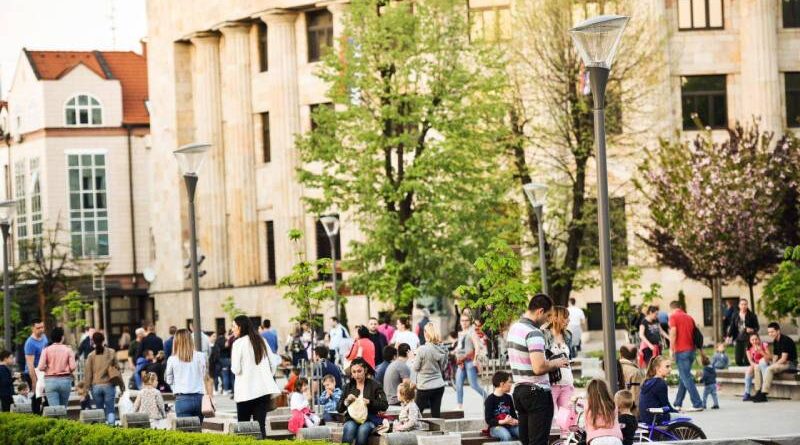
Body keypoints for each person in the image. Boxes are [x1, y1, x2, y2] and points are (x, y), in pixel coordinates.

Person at [507, 294, 569, 445]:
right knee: (538, 442)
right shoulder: (534, 332)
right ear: (540, 311)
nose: (548, 320)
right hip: (537, 393)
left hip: (520, 391)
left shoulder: (514, 328)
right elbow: (539, 367)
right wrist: (557, 362)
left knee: (526, 441)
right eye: (548, 315)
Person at [231, 315, 281, 437]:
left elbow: (236, 369)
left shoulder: (238, 343)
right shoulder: (261, 340)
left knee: (244, 429)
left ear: (240, 327)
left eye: (233, 326)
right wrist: (266, 376)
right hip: (263, 391)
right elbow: (273, 362)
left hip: (245, 393)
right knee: (260, 427)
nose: (232, 329)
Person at [337, 358, 388, 445]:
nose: (356, 375)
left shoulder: (375, 385)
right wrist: (347, 401)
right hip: (352, 418)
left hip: (369, 419)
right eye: (354, 372)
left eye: (359, 371)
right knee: (349, 428)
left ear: (365, 370)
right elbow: (339, 409)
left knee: (363, 430)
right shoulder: (348, 387)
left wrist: (370, 402)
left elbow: (384, 405)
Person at [165, 329, 209, 422]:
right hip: (199, 398)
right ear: (190, 340)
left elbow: (169, 380)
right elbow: (203, 374)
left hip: (182, 398)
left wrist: (176, 385)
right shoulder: (200, 356)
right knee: (198, 429)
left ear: (176, 342)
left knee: (185, 429)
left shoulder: (172, 359)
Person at [668, 300, 703, 412]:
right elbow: (695, 334)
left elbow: (673, 333)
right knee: (684, 377)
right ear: (680, 307)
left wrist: (671, 349)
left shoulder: (673, 317)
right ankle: (677, 403)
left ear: (672, 308)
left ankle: (697, 403)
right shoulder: (689, 317)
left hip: (681, 351)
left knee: (686, 377)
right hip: (691, 350)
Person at [545, 306, 574, 435]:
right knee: (546, 418)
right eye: (565, 317)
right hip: (550, 383)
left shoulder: (568, 335)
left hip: (566, 382)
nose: (568, 320)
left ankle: (565, 442)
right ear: (556, 318)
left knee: (567, 421)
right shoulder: (544, 334)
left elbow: (569, 356)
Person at [751, 322, 798, 403]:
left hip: (790, 364)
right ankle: (758, 391)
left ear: (778, 331)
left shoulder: (785, 340)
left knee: (769, 369)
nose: (770, 334)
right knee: (758, 367)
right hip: (782, 363)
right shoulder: (776, 341)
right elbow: (775, 357)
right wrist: (772, 362)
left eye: (772, 332)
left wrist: (773, 365)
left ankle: (764, 394)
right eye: (769, 332)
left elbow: (783, 359)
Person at [414, 322, 448, 418]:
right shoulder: (443, 349)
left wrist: (413, 358)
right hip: (439, 385)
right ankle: (438, 428)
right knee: (436, 414)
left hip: (424, 386)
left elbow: (416, 368)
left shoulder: (422, 350)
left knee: (416, 413)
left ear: (426, 333)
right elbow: (443, 367)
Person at [84, 331, 119, 424]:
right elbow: (117, 369)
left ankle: (101, 428)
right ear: (104, 340)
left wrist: (86, 389)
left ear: (93, 341)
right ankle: (112, 428)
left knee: (99, 410)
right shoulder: (111, 352)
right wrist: (122, 386)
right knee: (110, 409)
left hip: (96, 386)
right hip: (109, 384)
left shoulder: (91, 355)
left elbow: (88, 374)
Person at [37, 327, 76, 407]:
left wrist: (48, 369)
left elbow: (40, 367)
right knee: (63, 408)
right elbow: (73, 367)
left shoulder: (46, 350)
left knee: (54, 410)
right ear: (62, 337)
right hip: (65, 380)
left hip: (50, 381)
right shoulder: (68, 349)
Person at [455, 313, 486, 409]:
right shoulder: (460, 333)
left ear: (469, 322)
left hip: (469, 361)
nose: (464, 322)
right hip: (461, 362)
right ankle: (459, 406)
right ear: (460, 322)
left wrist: (475, 359)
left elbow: (477, 347)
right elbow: (460, 347)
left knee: (473, 385)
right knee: (458, 383)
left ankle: (488, 398)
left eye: (466, 320)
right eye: (462, 320)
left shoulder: (472, 332)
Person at [638, 355, 675, 426]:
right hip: (655, 418)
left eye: (670, 366)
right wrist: (677, 412)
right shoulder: (660, 383)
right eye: (667, 366)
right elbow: (666, 405)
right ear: (658, 368)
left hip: (645, 417)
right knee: (686, 418)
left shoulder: (648, 381)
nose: (670, 369)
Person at [585, 379, 623, 445]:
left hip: (596, 439)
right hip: (615, 438)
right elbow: (615, 423)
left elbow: (588, 426)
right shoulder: (613, 405)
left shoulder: (588, 407)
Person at [484, 371, 519, 441]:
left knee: (523, 432)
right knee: (506, 436)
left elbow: (513, 415)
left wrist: (515, 421)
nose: (511, 384)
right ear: (502, 384)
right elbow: (488, 420)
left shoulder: (508, 397)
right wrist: (503, 421)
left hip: (509, 425)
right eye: (509, 382)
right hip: (495, 427)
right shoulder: (490, 399)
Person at [23, 319, 48, 414]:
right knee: (36, 398)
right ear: (32, 328)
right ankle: (36, 417)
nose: (41, 329)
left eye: (42, 327)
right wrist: (34, 382)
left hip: (43, 372)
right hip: (32, 373)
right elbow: (30, 365)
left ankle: (45, 416)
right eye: (38, 328)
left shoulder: (44, 337)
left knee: (47, 397)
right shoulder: (30, 343)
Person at [725, 299, 759, 366]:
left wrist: (752, 330)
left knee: (747, 360)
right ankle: (744, 369)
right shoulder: (735, 315)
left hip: (748, 339)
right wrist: (728, 336)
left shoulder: (752, 315)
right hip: (738, 338)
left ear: (747, 305)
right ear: (739, 305)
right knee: (738, 360)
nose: (743, 306)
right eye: (742, 304)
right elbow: (732, 326)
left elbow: (757, 327)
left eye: (745, 304)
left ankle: (748, 369)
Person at [616, 344, 644, 417]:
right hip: (630, 413)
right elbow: (636, 394)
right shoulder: (635, 372)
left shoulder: (612, 367)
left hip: (616, 410)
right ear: (636, 355)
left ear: (621, 354)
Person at [743, 332, 770, 401]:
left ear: (759, 339)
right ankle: (747, 393)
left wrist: (761, 351)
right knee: (749, 370)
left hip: (764, 364)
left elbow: (769, 357)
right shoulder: (749, 349)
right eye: (752, 340)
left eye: (756, 339)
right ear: (750, 341)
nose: (754, 341)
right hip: (756, 365)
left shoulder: (764, 345)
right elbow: (751, 361)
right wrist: (755, 365)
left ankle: (762, 391)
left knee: (761, 363)